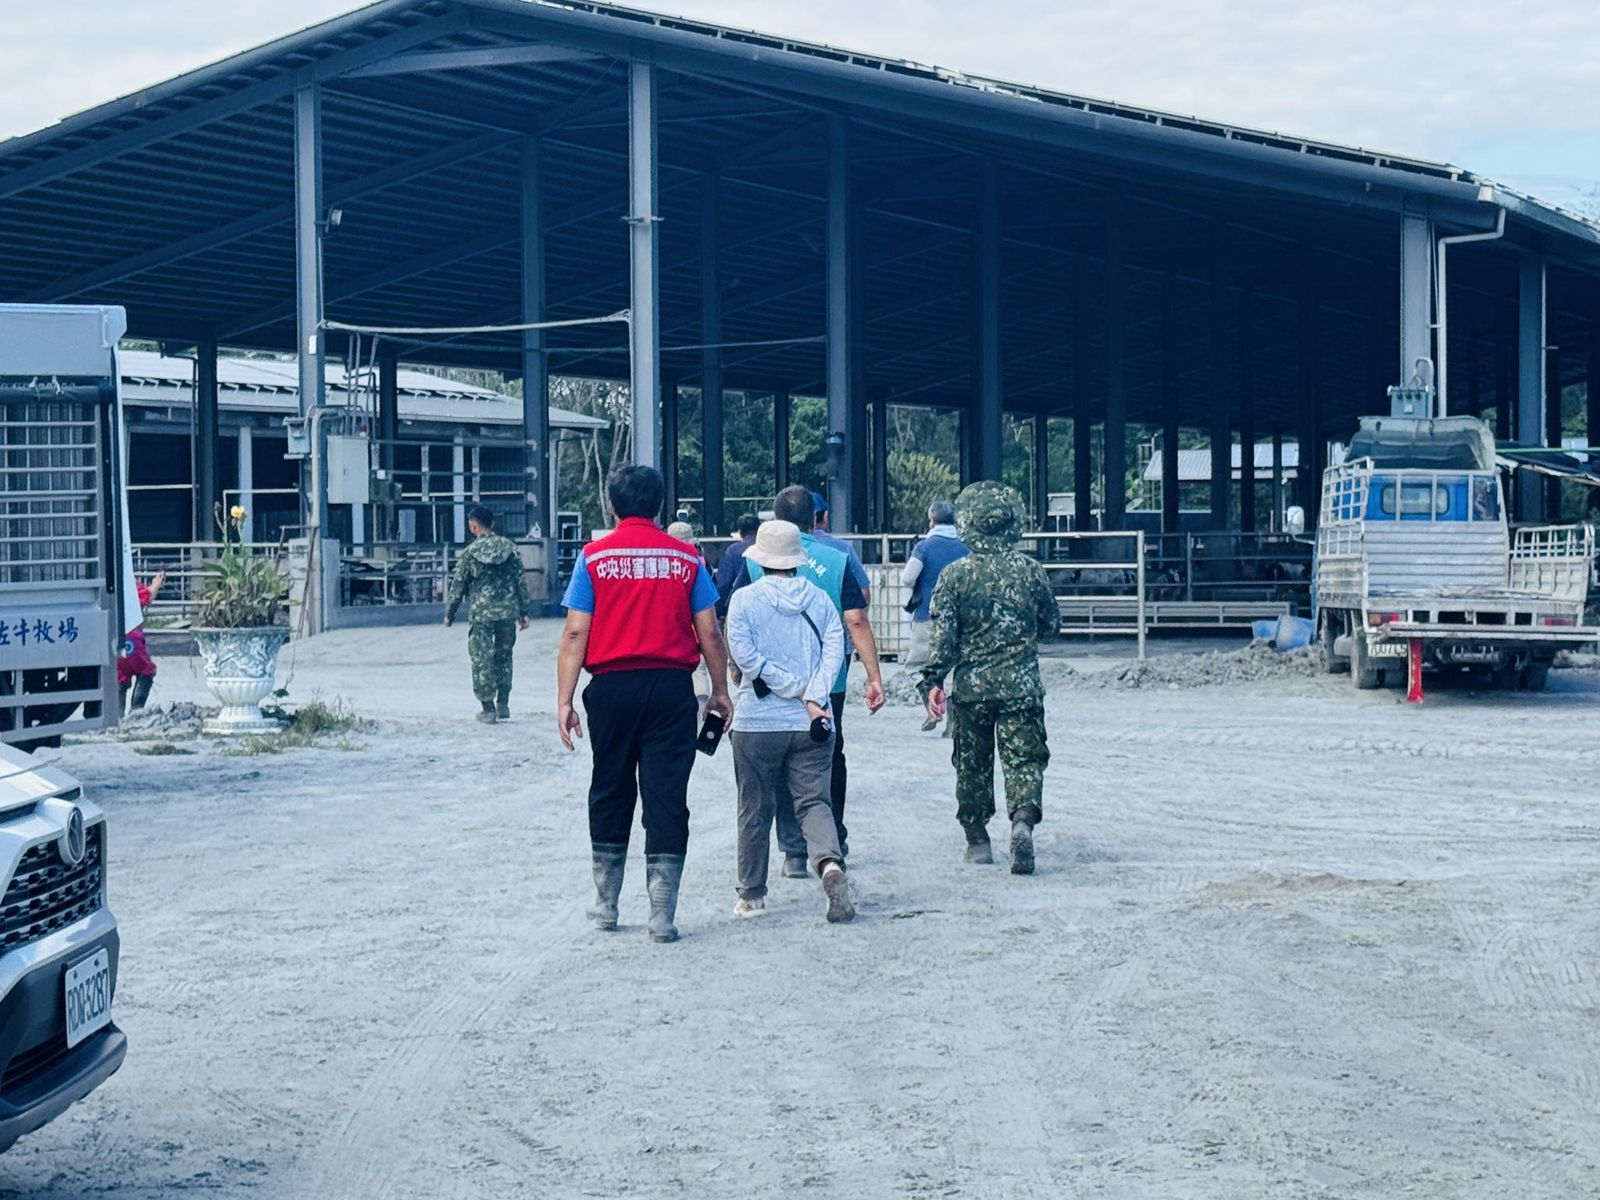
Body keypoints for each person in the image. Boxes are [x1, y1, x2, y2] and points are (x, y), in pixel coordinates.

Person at [556, 464, 733, 945]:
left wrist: (565, 699)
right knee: (666, 794)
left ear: (612, 507)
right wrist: (719, 689)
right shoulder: (686, 559)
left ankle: (607, 904)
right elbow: (710, 630)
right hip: (671, 689)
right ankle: (661, 914)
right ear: (659, 507)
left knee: (610, 787)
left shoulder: (593, 558)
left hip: (611, 689)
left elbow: (576, 630)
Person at [731, 485, 885, 870]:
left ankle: (793, 851)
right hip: (825, 684)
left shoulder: (751, 566)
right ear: (816, 520)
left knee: (780, 759)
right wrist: (873, 676)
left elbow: (732, 624)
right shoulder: (838, 557)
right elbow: (855, 618)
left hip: (771, 685)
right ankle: (833, 839)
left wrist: (736, 670)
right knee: (826, 756)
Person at [918, 482, 1059, 875]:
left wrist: (932, 681)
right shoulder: (1030, 570)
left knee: (972, 764)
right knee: (1025, 760)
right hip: (1022, 686)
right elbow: (1051, 626)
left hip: (972, 690)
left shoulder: (955, 576)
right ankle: (1022, 823)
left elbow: (943, 642)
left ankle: (978, 839)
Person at [724, 520, 854, 923]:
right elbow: (835, 654)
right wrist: (811, 693)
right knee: (815, 801)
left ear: (761, 561)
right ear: (797, 559)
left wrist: (789, 686)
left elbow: (744, 656)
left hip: (757, 722)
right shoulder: (820, 600)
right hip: (812, 721)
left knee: (754, 806)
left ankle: (751, 894)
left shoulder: (744, 601)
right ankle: (830, 865)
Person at [444, 505, 531, 724]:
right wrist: (524, 611)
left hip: (481, 614)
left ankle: (487, 708)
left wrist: (450, 613)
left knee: (481, 659)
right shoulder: (510, 549)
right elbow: (520, 582)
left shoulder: (470, 553)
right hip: (507, 612)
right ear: (492, 524)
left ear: (473, 526)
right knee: (504, 656)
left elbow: (458, 586)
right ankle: (503, 704)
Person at [902, 498, 970, 669]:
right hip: (962, 616)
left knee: (920, 666)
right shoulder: (966, 547)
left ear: (932, 521)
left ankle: (928, 695)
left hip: (927, 614)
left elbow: (908, 578)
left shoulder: (923, 547)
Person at [809, 491, 871, 603]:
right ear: (825, 516)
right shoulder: (844, 548)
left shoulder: (785, 548)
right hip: (838, 617)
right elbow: (863, 592)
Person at [118, 570, 166, 714]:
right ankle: (136, 711)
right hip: (133, 641)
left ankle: (117, 716)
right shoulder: (130, 585)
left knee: (119, 678)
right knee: (147, 670)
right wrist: (156, 584)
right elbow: (147, 596)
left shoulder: (111, 585)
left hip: (114, 641)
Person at [715, 512, 761, 617]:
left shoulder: (733, 551)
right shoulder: (766, 549)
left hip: (740, 607)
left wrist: (720, 611)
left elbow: (723, 584)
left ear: (740, 532)